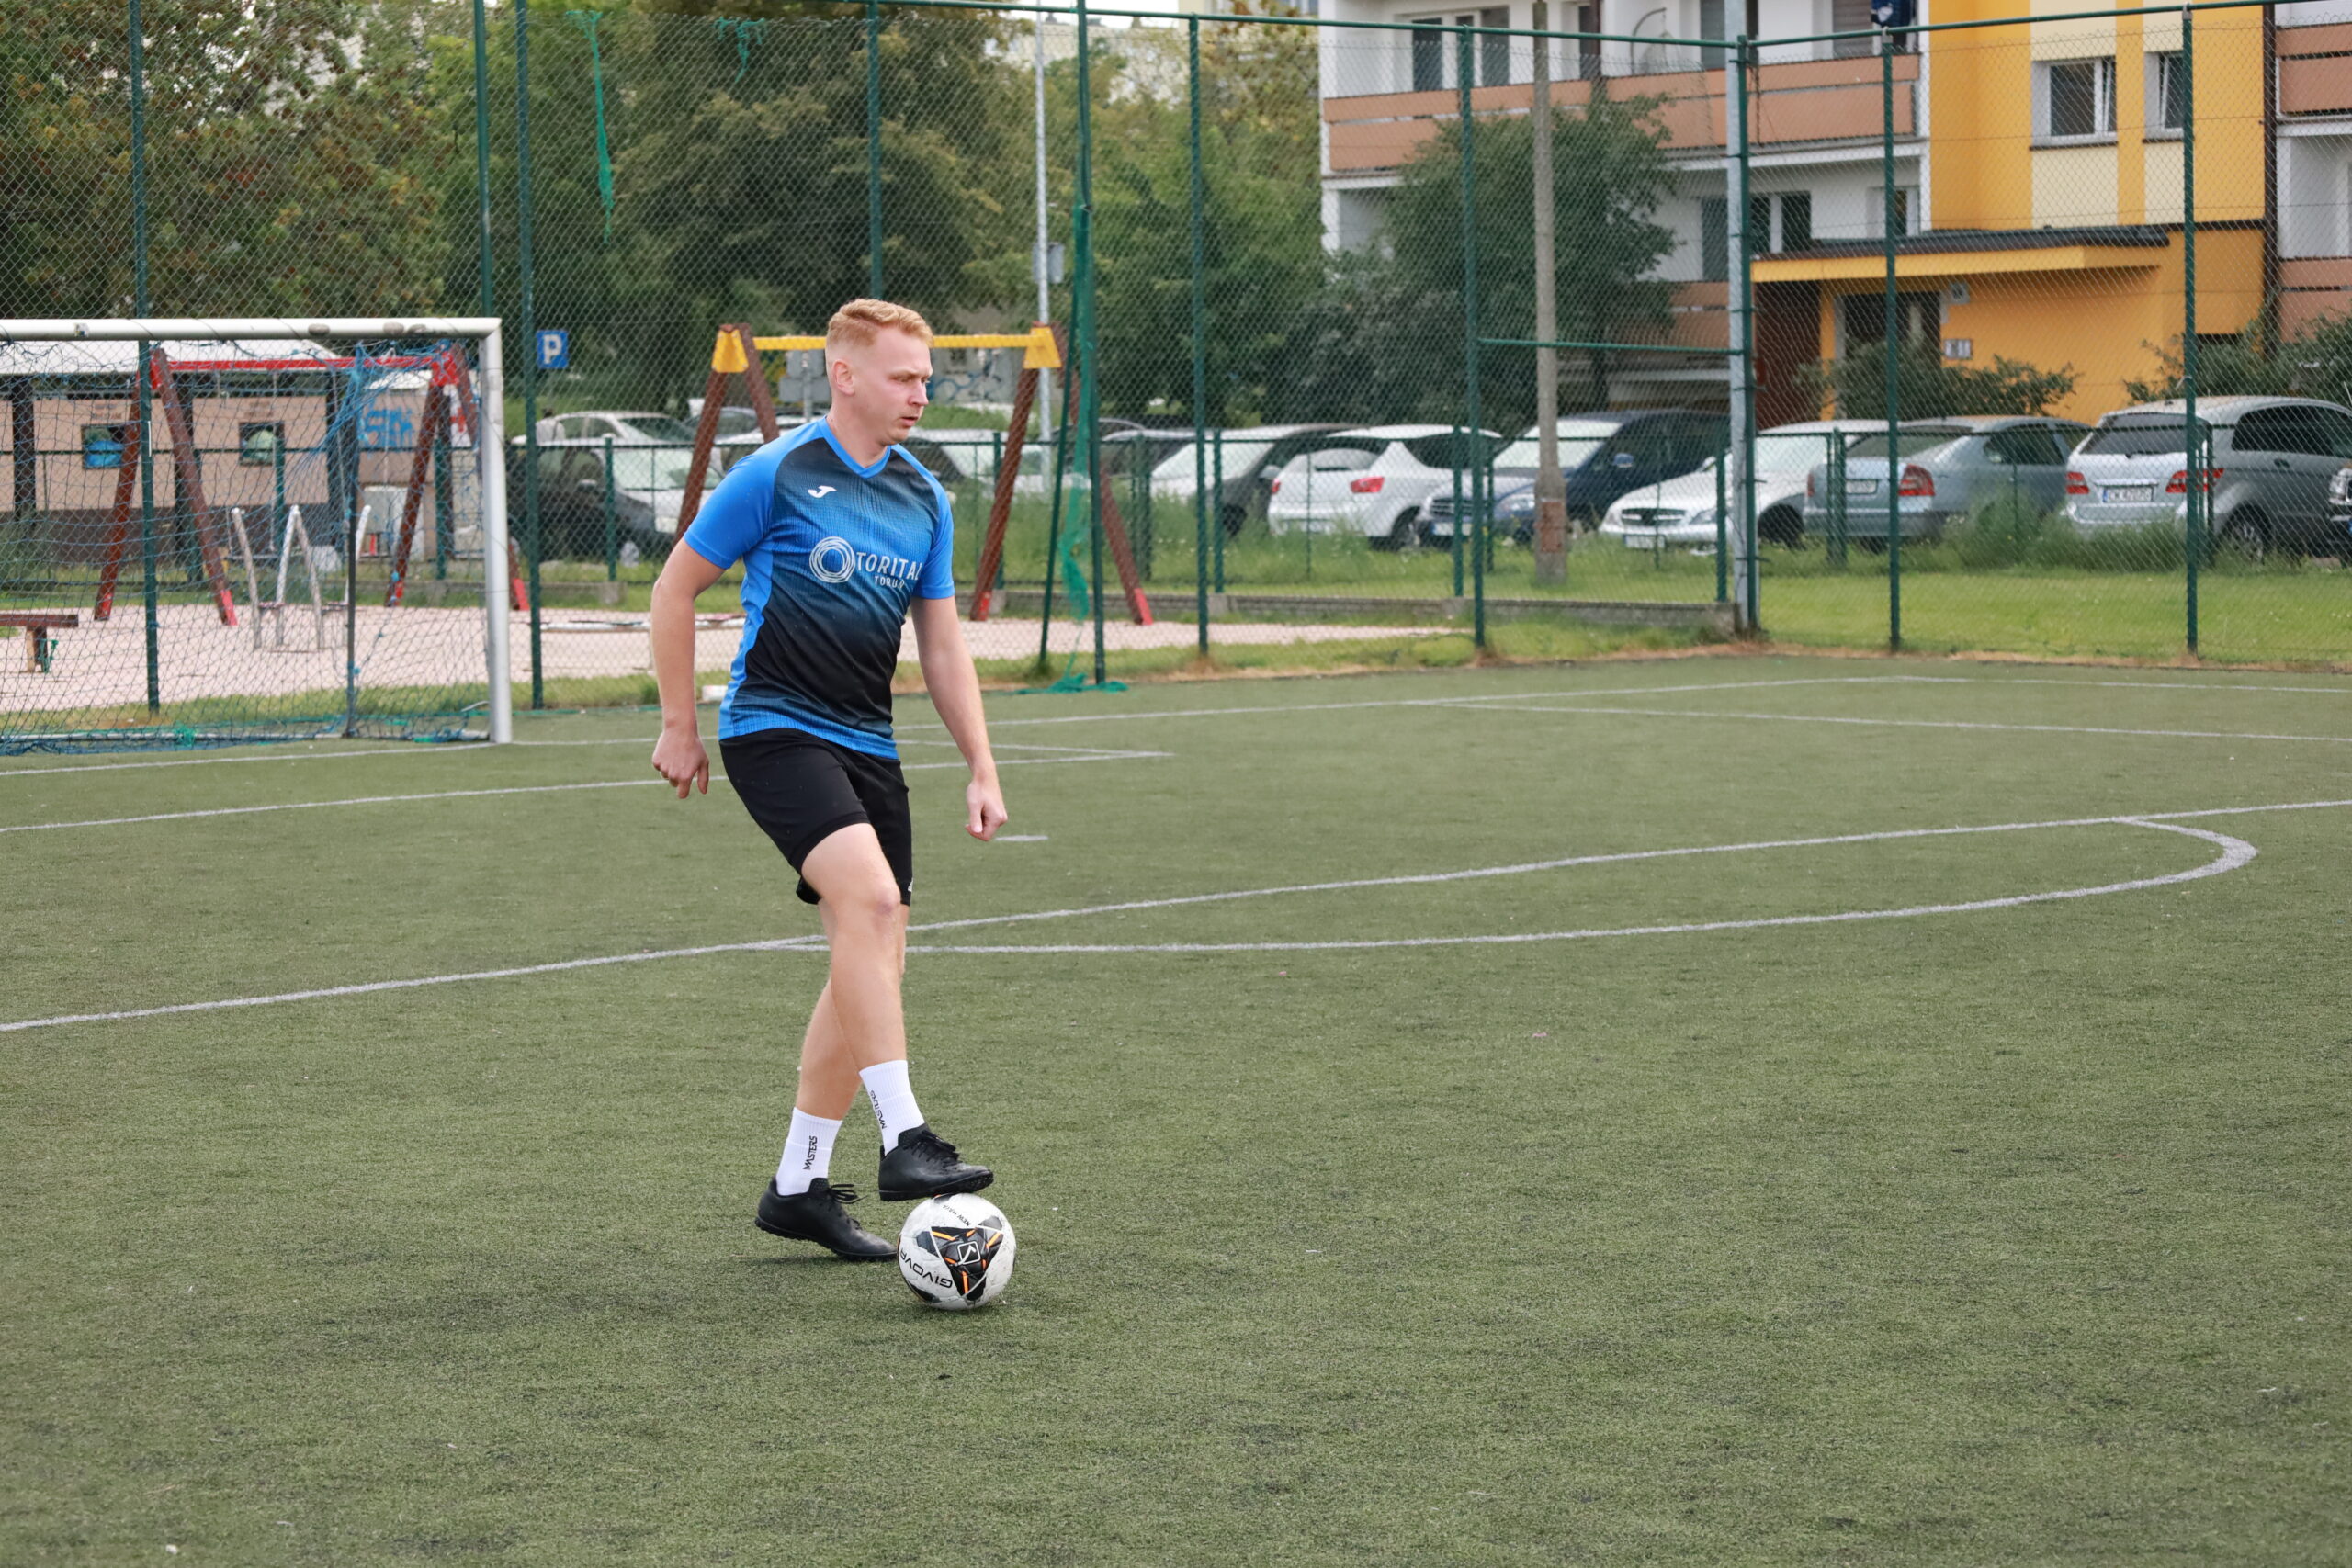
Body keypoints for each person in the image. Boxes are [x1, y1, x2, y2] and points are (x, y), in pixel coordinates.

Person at [648, 299, 1007, 1260]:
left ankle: (799, 1185)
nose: (920, 393)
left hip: (868, 744)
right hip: (774, 728)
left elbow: (941, 646)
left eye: (926, 377)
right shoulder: (774, 473)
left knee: (874, 953)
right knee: (872, 903)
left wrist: (981, 763)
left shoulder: (925, 499)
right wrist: (679, 723)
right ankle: (905, 1137)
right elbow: (674, 588)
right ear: (843, 375)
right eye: (902, 376)